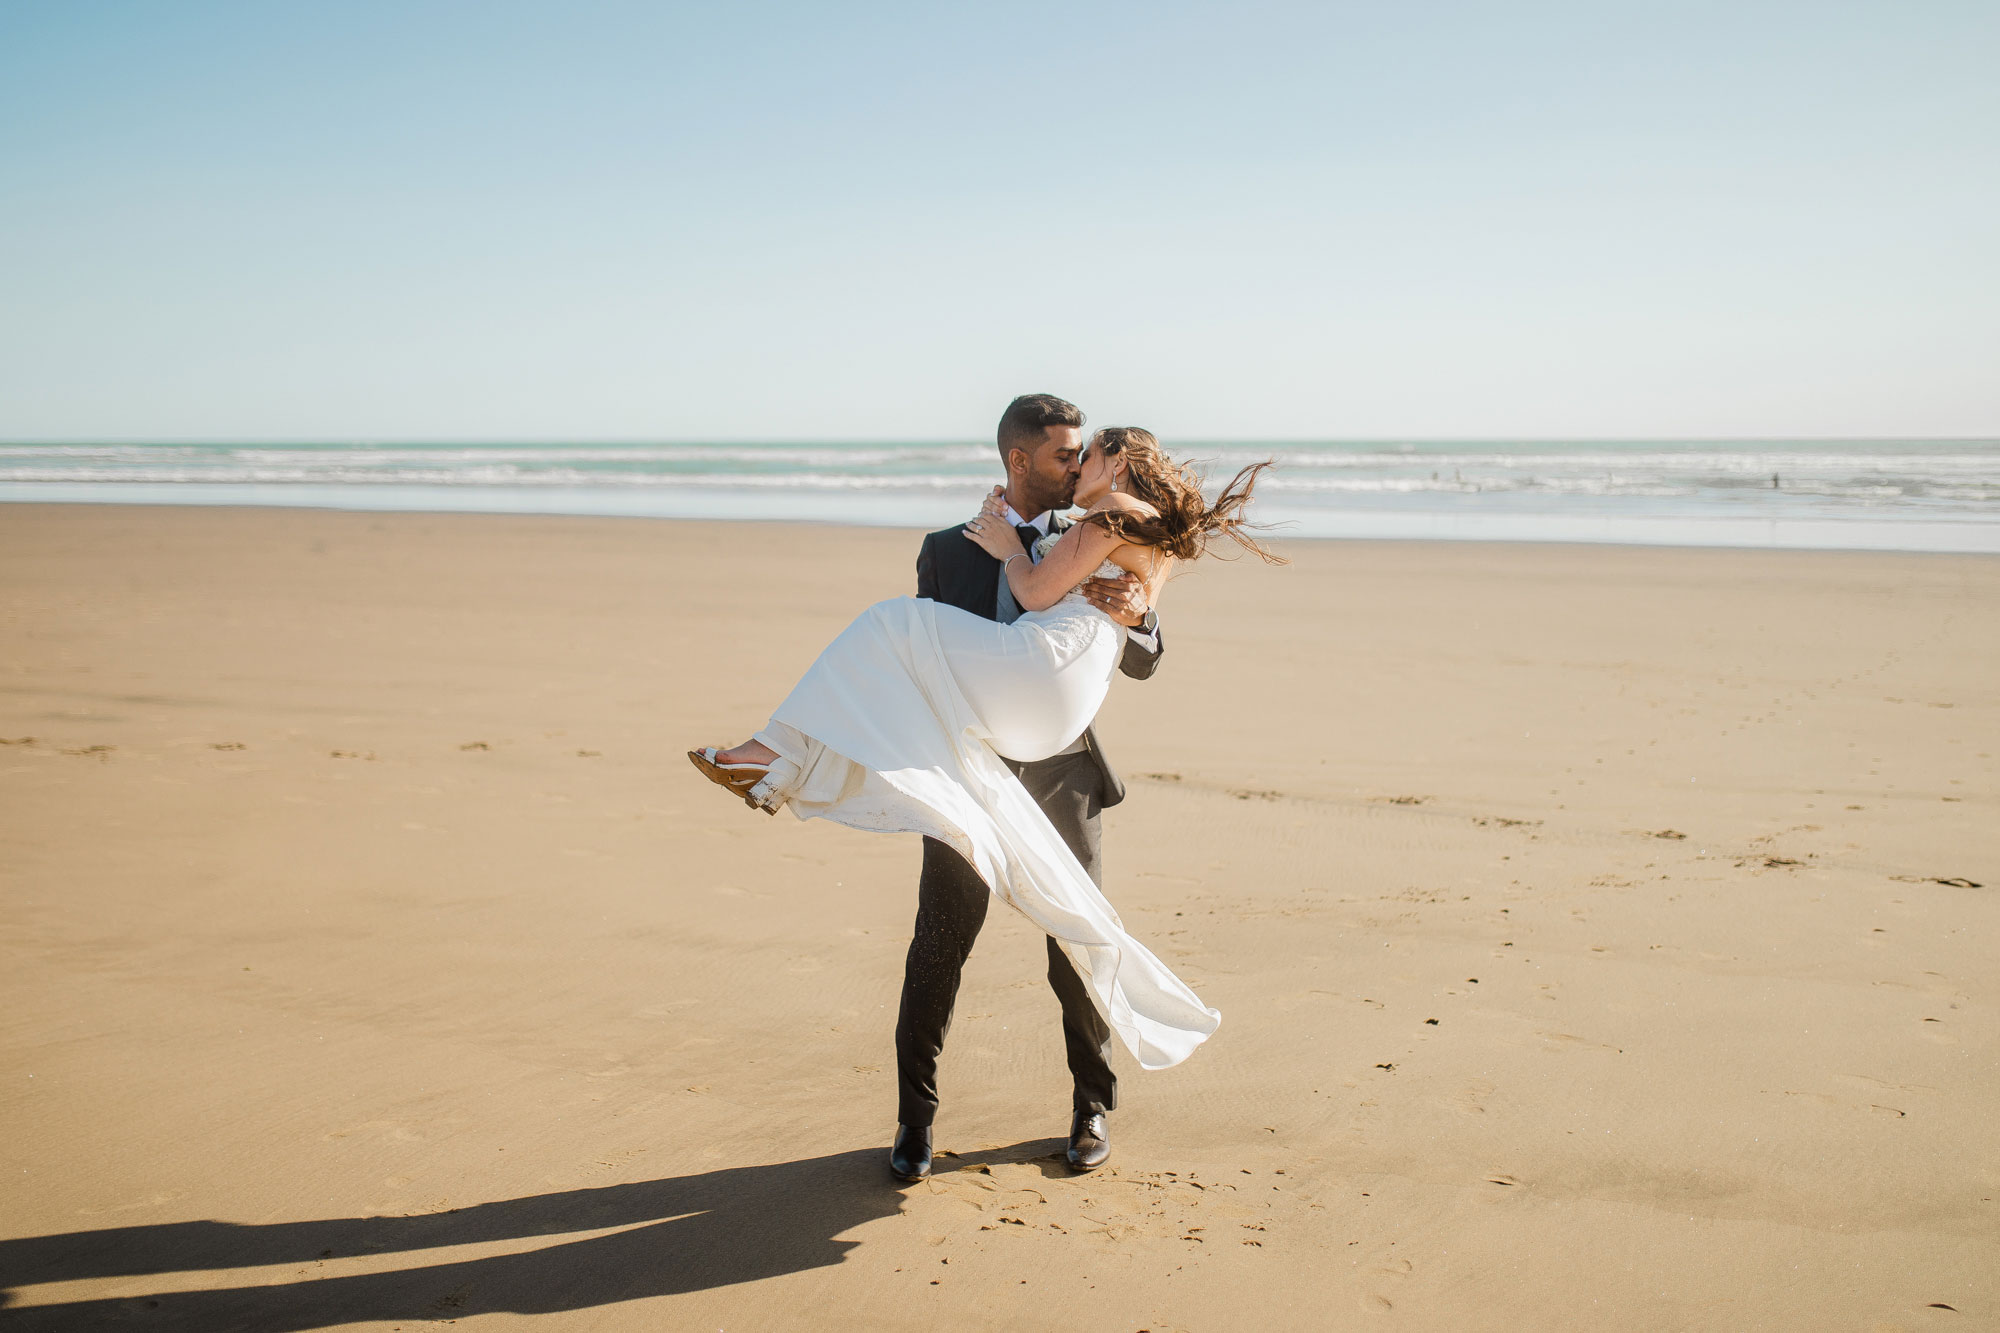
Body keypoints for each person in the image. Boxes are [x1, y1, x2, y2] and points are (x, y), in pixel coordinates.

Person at [689, 398, 1278, 1182]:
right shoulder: (946, 551)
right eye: (1064, 454)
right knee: (938, 948)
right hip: (968, 770)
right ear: (1018, 460)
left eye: (1084, 453)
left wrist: (1142, 617)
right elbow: (919, 668)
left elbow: (1140, 655)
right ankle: (914, 1122)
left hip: (1064, 769)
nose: (1075, 465)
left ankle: (1091, 1108)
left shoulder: (1115, 524)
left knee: (1078, 943)